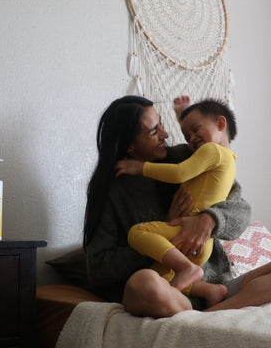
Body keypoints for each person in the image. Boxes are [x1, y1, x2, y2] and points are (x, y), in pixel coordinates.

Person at [83, 95, 267, 317]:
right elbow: (98, 269)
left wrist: (209, 219)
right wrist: (163, 234)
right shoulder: (113, 192)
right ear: (129, 144)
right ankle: (209, 316)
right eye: (154, 131)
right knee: (143, 283)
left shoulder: (186, 157)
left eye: (161, 123)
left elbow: (241, 210)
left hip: (216, 287)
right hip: (168, 291)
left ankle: (215, 311)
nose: (166, 134)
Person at [114, 97, 237, 306]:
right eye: (186, 136)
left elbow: (180, 173)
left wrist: (140, 167)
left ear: (221, 124)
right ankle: (210, 291)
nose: (191, 140)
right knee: (157, 278)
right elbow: (197, 141)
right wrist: (185, 119)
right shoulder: (228, 159)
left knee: (138, 232)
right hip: (202, 246)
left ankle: (187, 270)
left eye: (195, 130)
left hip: (185, 231)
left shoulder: (211, 150)